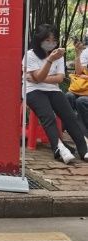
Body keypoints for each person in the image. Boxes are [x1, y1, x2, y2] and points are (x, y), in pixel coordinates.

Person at [24, 24, 88, 164]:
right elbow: (39, 78)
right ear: (39, 40)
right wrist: (49, 61)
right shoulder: (30, 55)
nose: (51, 43)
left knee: (69, 116)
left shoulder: (58, 55)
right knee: (48, 116)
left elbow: (58, 79)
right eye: (47, 40)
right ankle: (58, 148)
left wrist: (37, 77)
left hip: (53, 90)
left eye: (54, 40)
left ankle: (83, 149)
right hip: (32, 90)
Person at [66, 38, 88, 135]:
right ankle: (70, 128)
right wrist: (78, 54)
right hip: (82, 88)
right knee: (68, 96)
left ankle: (84, 133)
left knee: (81, 101)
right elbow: (79, 72)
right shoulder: (86, 52)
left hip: (85, 92)